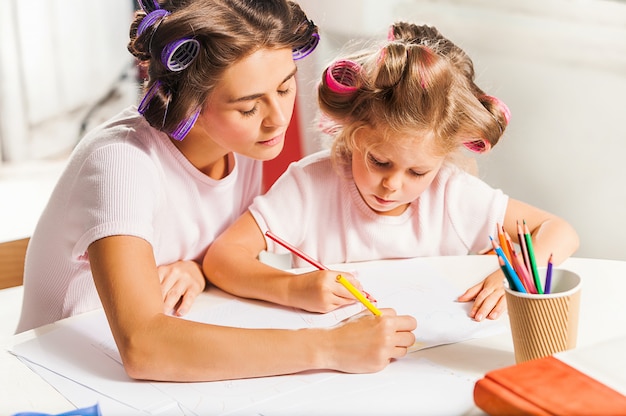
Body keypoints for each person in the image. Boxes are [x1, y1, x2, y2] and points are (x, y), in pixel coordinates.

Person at [16, 0, 417, 382]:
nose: (277, 119)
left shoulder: (240, 146)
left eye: (284, 88)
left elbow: (202, 242)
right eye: (248, 107)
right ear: (190, 103)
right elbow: (144, 346)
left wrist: (196, 267)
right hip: (66, 381)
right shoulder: (120, 162)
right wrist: (329, 348)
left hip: (157, 367)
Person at [203, 22, 580, 323]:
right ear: (352, 135)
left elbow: (559, 232)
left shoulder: (451, 193)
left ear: (443, 162)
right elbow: (223, 258)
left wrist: (509, 274)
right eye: (379, 162)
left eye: (418, 172)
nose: (393, 184)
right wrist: (293, 289)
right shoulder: (311, 185)